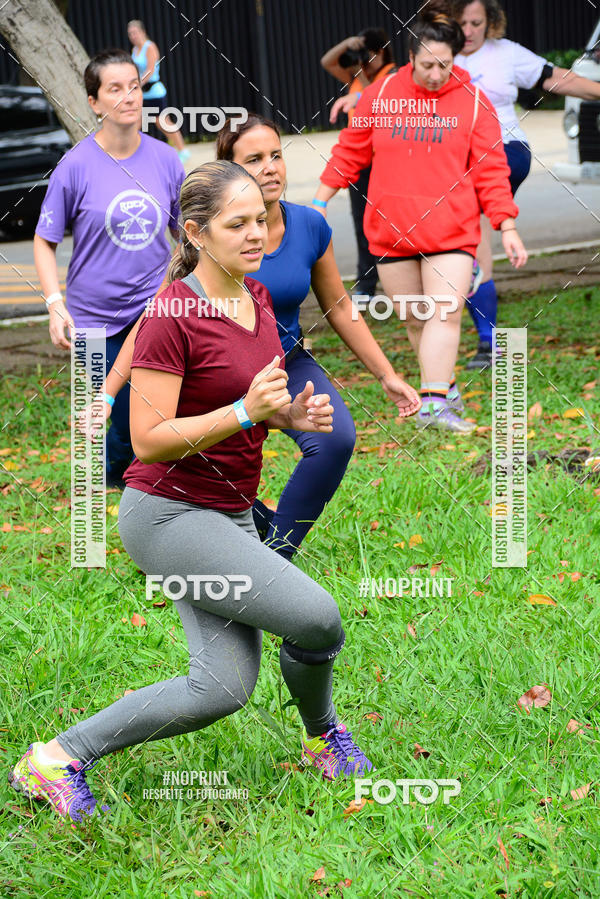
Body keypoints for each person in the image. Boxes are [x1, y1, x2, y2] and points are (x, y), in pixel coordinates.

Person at [9, 161, 372, 824]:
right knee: (318, 616)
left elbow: (253, 401)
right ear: (195, 233)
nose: (256, 233)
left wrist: (287, 415)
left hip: (226, 512)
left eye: (259, 220)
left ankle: (54, 759)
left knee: (222, 687)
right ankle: (324, 736)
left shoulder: (255, 298)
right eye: (237, 225)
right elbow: (147, 438)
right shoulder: (173, 314)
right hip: (168, 514)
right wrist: (241, 410)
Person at [85, 113, 421, 558]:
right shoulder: (210, 245)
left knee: (335, 437)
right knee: (210, 451)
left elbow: (339, 306)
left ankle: (276, 552)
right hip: (215, 368)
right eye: (255, 159)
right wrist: (107, 394)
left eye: (277, 155)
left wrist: (387, 375)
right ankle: (224, 537)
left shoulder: (310, 226)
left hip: (283, 361)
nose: (270, 167)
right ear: (231, 171)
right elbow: (153, 327)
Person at [313, 10, 528, 433]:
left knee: (443, 312)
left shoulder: (472, 101)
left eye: (444, 65)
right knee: (415, 318)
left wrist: (507, 225)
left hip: (452, 229)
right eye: (427, 65)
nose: (435, 75)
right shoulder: (381, 93)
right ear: (411, 57)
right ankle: (443, 390)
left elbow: (490, 170)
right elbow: (351, 151)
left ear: (457, 58)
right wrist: (319, 203)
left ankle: (432, 407)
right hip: (391, 230)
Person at [34, 48, 185, 487]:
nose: (128, 97)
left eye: (134, 86)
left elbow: (185, 236)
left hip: (154, 309)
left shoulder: (165, 160)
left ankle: (147, 483)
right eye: (114, 89)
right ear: (94, 102)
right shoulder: (75, 166)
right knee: (119, 414)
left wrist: (177, 286)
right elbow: (44, 242)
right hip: (94, 317)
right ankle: (116, 476)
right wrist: (54, 304)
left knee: (152, 404)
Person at [449, 0, 600, 369]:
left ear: (491, 23)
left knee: (472, 232)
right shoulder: (437, 55)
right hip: (455, 160)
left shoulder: (506, 53)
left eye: (476, 23)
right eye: (462, 23)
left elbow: (556, 78)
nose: (468, 31)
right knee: (468, 239)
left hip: (505, 150)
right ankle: (487, 340)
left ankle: (489, 344)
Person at [321, 28, 397, 296]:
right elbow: (327, 61)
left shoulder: (393, 74)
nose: (366, 59)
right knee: (361, 223)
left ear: (382, 51)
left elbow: (378, 99)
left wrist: (364, 80)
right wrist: (346, 43)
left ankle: (394, 281)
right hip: (359, 161)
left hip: (384, 161)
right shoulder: (356, 75)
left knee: (387, 224)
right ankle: (366, 285)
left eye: (371, 54)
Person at [128, 19, 190, 161]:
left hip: (154, 92)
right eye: (130, 34)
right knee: (136, 122)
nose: (132, 36)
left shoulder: (150, 47)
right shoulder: (134, 50)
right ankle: (132, 155)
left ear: (142, 32)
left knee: (163, 122)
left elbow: (150, 70)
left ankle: (183, 150)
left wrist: (137, 84)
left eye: (135, 32)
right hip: (142, 94)